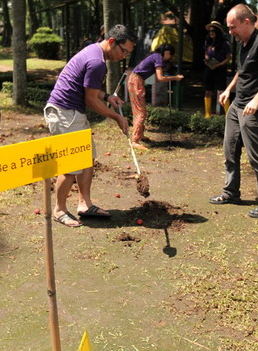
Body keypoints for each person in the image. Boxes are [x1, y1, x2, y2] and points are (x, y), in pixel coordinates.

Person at [44, 24, 136, 227]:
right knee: (71, 166)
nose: (124, 56)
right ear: (112, 42)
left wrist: (107, 96)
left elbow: (89, 89)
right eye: (123, 51)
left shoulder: (95, 52)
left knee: (86, 158)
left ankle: (84, 204)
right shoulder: (97, 62)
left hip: (72, 112)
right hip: (64, 113)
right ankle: (59, 210)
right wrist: (117, 118)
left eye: (128, 53)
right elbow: (91, 100)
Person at [209, 4, 258, 219]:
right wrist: (229, 90)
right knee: (229, 151)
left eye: (233, 27)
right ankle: (231, 192)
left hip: (252, 109)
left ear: (246, 22)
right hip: (237, 104)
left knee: (256, 156)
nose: (231, 32)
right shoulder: (244, 43)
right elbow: (242, 71)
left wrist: (257, 100)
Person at [127, 43, 184, 150]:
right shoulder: (158, 58)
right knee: (141, 112)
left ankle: (140, 135)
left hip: (135, 80)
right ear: (167, 53)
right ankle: (135, 141)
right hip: (136, 81)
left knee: (139, 109)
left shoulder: (155, 56)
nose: (170, 58)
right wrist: (175, 77)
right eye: (170, 55)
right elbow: (160, 78)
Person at [203, 21, 231, 118]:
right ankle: (207, 113)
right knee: (207, 90)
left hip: (220, 69)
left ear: (218, 31)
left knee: (222, 91)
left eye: (213, 30)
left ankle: (228, 114)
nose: (211, 32)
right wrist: (206, 59)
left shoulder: (224, 43)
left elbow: (228, 57)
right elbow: (206, 52)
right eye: (210, 31)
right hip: (209, 68)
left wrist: (219, 64)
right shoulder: (208, 41)